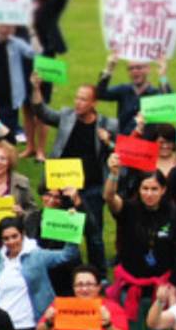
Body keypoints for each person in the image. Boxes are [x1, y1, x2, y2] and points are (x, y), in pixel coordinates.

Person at [28, 73, 117, 269]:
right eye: (77, 98)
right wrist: (36, 88)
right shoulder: (67, 117)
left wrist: (109, 142)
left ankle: (99, 274)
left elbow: (121, 150)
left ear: (94, 103)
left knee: (94, 234)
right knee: (59, 231)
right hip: (62, 187)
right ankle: (60, 270)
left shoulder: (107, 125)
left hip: (91, 188)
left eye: (83, 99)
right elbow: (41, 111)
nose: (78, 102)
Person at [105, 160, 176, 330]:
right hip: (131, 288)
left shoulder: (174, 213)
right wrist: (113, 174)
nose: (149, 194)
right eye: (145, 188)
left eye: (154, 189)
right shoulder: (129, 209)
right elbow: (109, 196)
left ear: (163, 190)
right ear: (139, 190)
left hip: (160, 290)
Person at [94, 55, 173, 136]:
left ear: (148, 69)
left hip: (147, 145)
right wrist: (109, 69)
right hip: (124, 143)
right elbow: (100, 94)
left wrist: (163, 76)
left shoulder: (155, 94)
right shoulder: (124, 90)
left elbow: (170, 106)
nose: (135, 71)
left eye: (138, 67)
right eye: (131, 68)